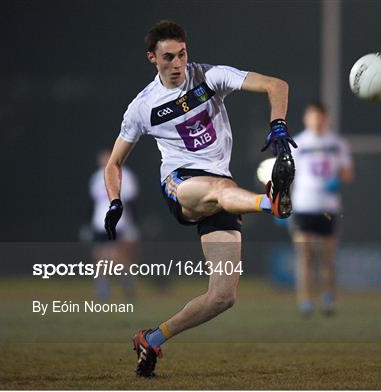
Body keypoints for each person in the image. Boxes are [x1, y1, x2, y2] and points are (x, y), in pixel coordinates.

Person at [103, 20, 296, 377]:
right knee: (220, 192)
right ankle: (269, 203)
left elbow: (275, 85)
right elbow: (114, 163)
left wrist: (278, 125)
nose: (178, 64)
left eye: (182, 54)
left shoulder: (209, 77)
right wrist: (115, 201)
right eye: (168, 57)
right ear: (152, 58)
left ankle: (153, 339)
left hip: (222, 189)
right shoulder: (142, 107)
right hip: (181, 185)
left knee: (223, 296)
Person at [290, 103, 354, 317]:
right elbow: (288, 175)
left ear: (327, 119)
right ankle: (305, 302)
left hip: (328, 207)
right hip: (303, 206)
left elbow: (347, 173)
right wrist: (284, 204)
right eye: (313, 117)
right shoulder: (297, 143)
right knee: (305, 256)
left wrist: (337, 180)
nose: (317, 121)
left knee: (327, 257)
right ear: (306, 119)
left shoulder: (337, 143)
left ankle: (328, 299)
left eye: (320, 117)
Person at [89, 149, 139, 301]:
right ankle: (103, 290)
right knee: (100, 257)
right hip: (99, 223)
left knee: (117, 257)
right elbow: (94, 203)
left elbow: (130, 202)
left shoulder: (125, 175)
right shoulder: (97, 177)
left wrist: (131, 224)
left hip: (118, 223)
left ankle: (126, 285)